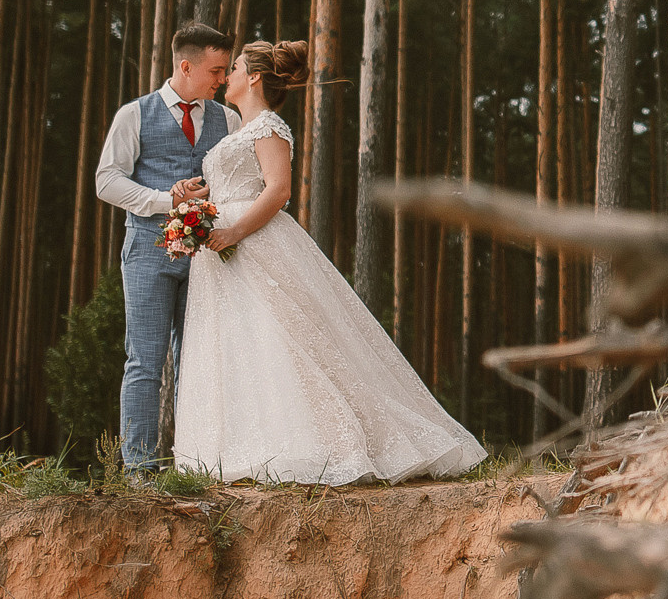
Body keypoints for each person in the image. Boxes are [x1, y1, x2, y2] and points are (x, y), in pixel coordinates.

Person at [172, 39, 484, 484]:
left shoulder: (269, 127)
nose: (227, 76)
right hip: (223, 245)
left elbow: (278, 190)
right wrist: (196, 196)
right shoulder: (238, 132)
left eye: (235, 67)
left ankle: (317, 445)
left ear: (254, 77)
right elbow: (234, 183)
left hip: (252, 242)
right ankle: (239, 449)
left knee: (285, 338)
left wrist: (235, 231)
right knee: (242, 342)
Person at [94, 21, 242, 474]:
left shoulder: (228, 119)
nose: (222, 79)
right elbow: (106, 181)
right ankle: (139, 468)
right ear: (186, 65)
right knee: (144, 359)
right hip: (147, 252)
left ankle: (190, 464)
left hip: (209, 258)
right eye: (216, 70)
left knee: (196, 361)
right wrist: (165, 201)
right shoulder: (134, 114)